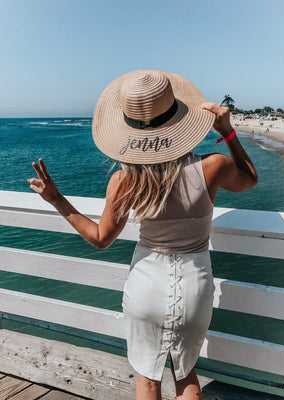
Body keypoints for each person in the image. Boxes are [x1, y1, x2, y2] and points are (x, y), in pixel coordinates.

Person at [28, 69, 258, 400]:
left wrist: (56, 199)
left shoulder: (124, 181)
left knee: (148, 379)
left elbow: (100, 238)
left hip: (146, 286)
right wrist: (227, 132)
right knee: (185, 374)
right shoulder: (213, 166)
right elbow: (250, 178)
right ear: (179, 119)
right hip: (195, 285)